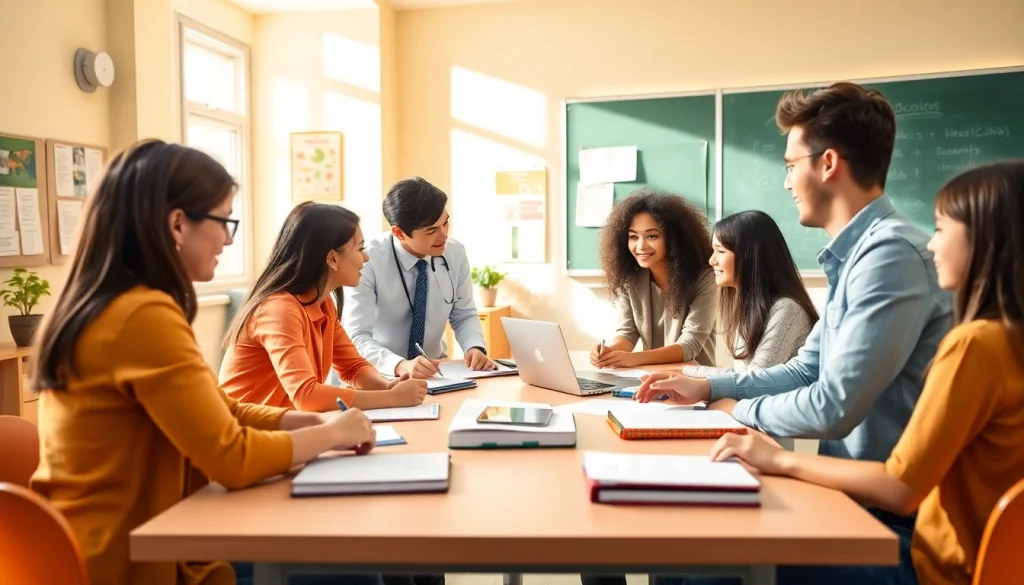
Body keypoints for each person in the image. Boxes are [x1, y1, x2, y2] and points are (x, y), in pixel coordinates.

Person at [28, 140, 379, 585]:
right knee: (355, 572)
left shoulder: (121, 306)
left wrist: (300, 425)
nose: (228, 239)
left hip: (138, 538)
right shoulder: (142, 317)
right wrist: (330, 433)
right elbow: (231, 457)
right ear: (178, 224)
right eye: (223, 222)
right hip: (131, 560)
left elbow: (223, 410)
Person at [637, 83, 952, 524]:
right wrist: (710, 388)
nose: (786, 182)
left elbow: (833, 406)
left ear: (828, 164)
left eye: (789, 166)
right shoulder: (860, 256)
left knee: (691, 556)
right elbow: (807, 369)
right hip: (847, 498)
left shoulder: (890, 257)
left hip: (886, 523)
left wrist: (738, 408)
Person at [705, 160, 1024, 585]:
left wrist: (778, 459)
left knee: (708, 565)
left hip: (932, 566)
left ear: (989, 240)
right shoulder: (1007, 341)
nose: (930, 246)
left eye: (942, 228)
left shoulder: (975, 345)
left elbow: (899, 488)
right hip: (988, 563)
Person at [220, 201, 428, 412]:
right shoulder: (279, 309)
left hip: (288, 428)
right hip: (246, 435)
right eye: (360, 248)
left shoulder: (323, 302)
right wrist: (391, 398)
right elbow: (307, 396)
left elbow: (353, 367)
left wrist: (388, 387)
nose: (366, 258)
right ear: (332, 259)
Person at [343, 177, 494, 379]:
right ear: (399, 233)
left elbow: (463, 314)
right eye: (431, 230)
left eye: (445, 223)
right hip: (381, 373)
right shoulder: (369, 259)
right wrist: (399, 365)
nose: (443, 235)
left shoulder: (455, 253)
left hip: (435, 372)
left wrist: (474, 347)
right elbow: (357, 334)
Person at [589, 189, 718, 369]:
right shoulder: (629, 278)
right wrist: (610, 353)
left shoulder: (705, 278)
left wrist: (633, 359)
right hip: (652, 379)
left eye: (652, 236)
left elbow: (689, 346)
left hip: (698, 382)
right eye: (633, 236)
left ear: (674, 239)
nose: (640, 246)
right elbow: (628, 332)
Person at [683, 210, 818, 377]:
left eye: (721, 251)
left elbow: (755, 379)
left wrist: (689, 371)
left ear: (750, 256)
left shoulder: (788, 309)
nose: (712, 260)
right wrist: (687, 372)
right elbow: (742, 376)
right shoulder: (750, 308)